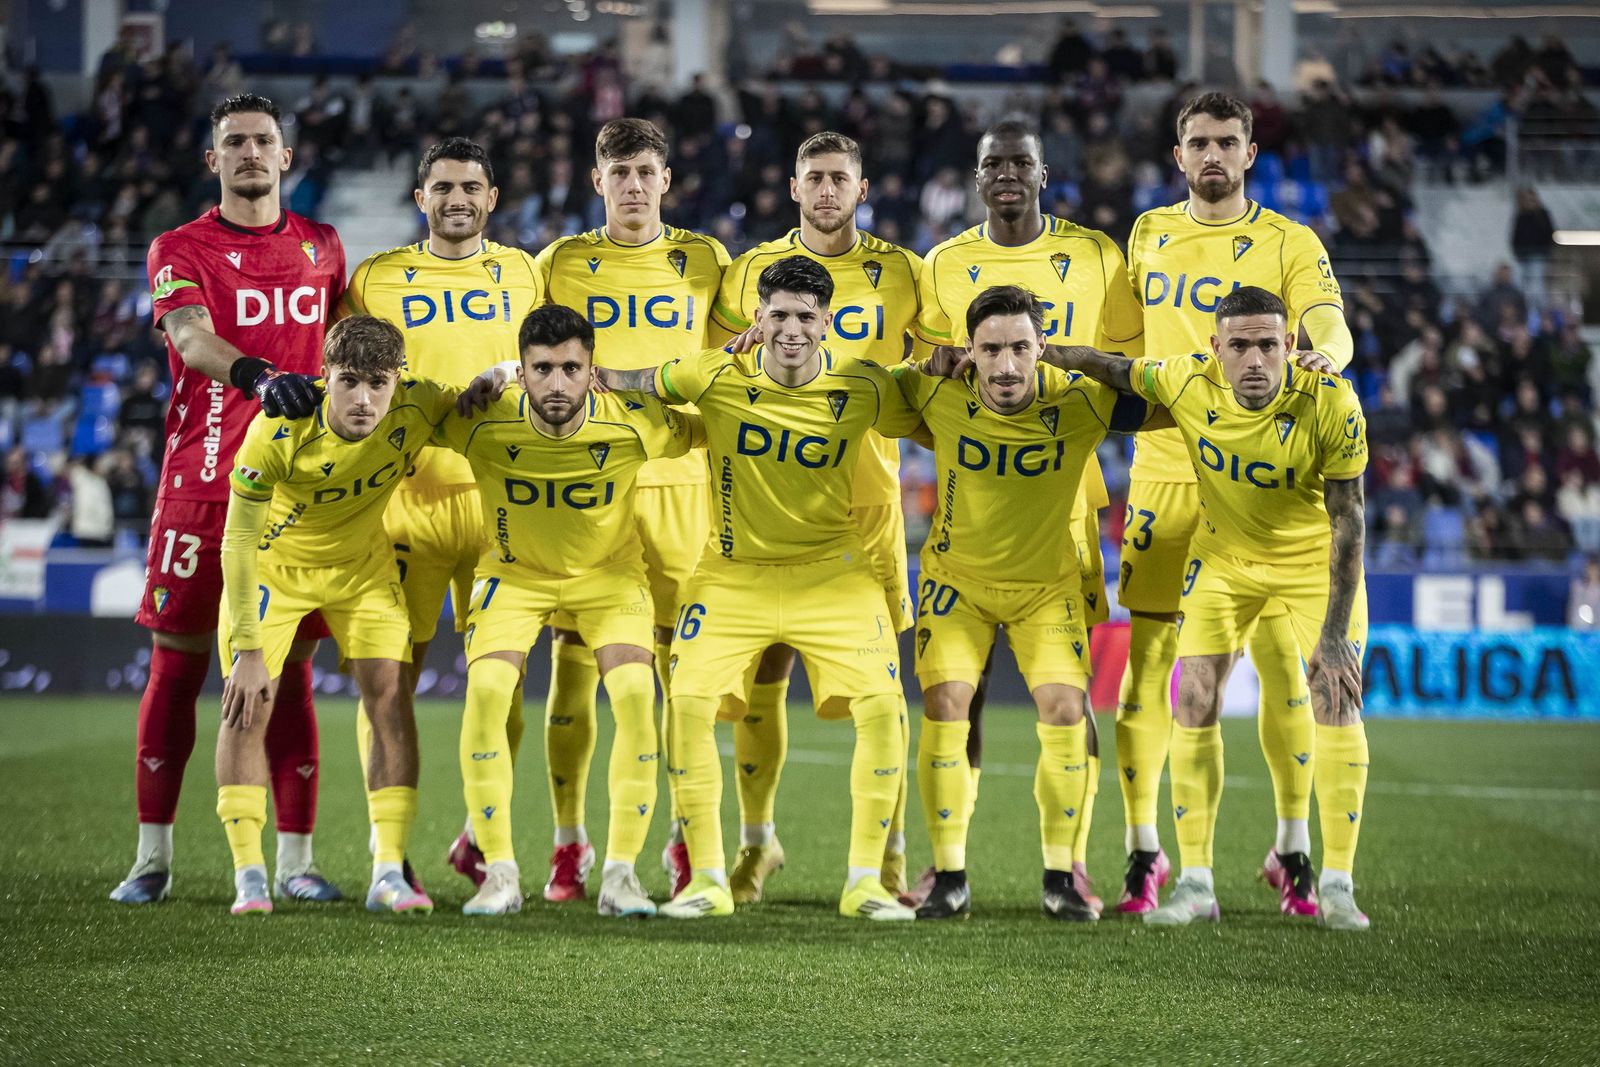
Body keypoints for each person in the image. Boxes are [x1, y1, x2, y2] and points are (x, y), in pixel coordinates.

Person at [597, 256, 922, 921]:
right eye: (779, 315)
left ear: (828, 323)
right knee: (684, 701)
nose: (792, 329)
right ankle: (708, 879)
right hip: (731, 573)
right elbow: (634, 380)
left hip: (833, 572)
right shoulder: (714, 372)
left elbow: (934, 411)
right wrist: (571, 378)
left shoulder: (864, 384)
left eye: (806, 317)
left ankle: (866, 880)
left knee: (884, 707)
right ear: (758, 319)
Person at [1049, 286, 1373, 932]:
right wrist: (1044, 350)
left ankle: (1337, 882)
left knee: (1335, 696)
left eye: (1268, 345)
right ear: (1215, 348)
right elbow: (1114, 368)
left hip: (1312, 567)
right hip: (1223, 562)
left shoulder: (1330, 401)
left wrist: (1335, 633)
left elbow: (1350, 519)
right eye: (1240, 345)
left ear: (1290, 345)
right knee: (1193, 697)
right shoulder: (1187, 380)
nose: (1255, 360)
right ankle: (1195, 880)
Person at [1117, 91, 1354, 917]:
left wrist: (1327, 353)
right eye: (1197, 142)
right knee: (1158, 667)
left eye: (1227, 141)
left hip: (1262, 473)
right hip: (1166, 468)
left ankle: (1292, 849)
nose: (1211, 154)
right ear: (1177, 154)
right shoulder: (1147, 233)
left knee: (1288, 669)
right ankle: (1147, 850)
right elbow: (1119, 347)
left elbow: (1326, 317)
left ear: (1251, 153)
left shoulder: (1290, 241)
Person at [111, 93, 346, 907]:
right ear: (213, 160)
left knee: (286, 675)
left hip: (298, 495)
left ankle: (298, 861)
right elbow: (189, 338)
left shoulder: (323, 247)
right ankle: (152, 858)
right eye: (235, 142)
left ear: (287, 158)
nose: (251, 152)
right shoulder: (180, 247)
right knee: (174, 670)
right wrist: (255, 374)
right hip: (201, 488)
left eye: (264, 141)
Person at [913, 118, 1145, 910]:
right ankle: (946, 859)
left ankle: (1070, 859)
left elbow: (1128, 367)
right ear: (976, 178)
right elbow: (926, 368)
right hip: (975, 492)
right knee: (959, 695)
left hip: (1065, 500)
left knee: (1066, 692)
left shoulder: (1096, 254)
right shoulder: (942, 263)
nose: (1007, 174)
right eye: (993, 164)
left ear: (1045, 173)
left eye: (1021, 163)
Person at [707, 130, 927, 903]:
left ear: (862, 189)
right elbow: (720, 376)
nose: (828, 189)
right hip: (769, 506)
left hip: (867, 508)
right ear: (793, 187)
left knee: (884, 691)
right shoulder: (747, 274)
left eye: (841, 177)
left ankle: (890, 860)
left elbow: (931, 373)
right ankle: (757, 843)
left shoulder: (903, 272)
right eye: (815, 177)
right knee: (763, 671)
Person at [438, 305, 702, 918]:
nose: (557, 384)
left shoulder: (635, 423)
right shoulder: (481, 419)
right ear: (521, 372)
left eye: (571, 369)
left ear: (593, 371)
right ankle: (499, 873)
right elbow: (403, 404)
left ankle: (620, 876)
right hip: (513, 576)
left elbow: (719, 419)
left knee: (638, 698)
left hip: (611, 581)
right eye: (541, 369)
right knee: (485, 698)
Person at [530, 118, 731, 902]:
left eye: (648, 170)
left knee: (686, 680)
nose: (635, 185)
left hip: (683, 484)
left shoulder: (705, 260)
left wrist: (639, 378)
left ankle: (685, 840)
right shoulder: (563, 262)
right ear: (597, 181)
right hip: (589, 488)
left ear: (667, 179)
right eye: (621, 173)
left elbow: (727, 363)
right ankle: (569, 842)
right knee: (574, 672)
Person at [341, 137, 542, 891]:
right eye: (443, 187)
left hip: (500, 507)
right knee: (390, 681)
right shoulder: (377, 277)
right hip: (402, 507)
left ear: (492, 197)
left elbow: (553, 356)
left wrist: (510, 371)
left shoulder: (525, 271)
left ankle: (478, 832)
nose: (458, 198)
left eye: (472, 187)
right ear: (419, 197)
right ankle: (387, 858)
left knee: (504, 680)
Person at [216, 315, 452, 917]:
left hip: (362, 569)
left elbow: (485, 410)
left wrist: (501, 375)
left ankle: (388, 872)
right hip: (274, 570)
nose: (365, 399)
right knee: (248, 704)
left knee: (391, 699)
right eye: (350, 382)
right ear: (325, 377)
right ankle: (249, 874)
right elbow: (237, 543)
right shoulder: (277, 428)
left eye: (379, 383)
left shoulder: (419, 406)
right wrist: (246, 650)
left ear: (399, 381)